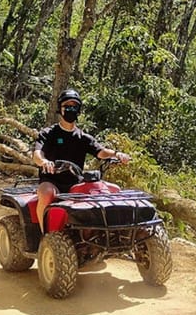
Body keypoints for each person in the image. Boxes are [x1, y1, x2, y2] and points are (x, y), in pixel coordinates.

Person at [33, 88, 131, 231]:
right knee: (46, 193)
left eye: (74, 106)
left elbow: (101, 151)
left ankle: (111, 233)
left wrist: (117, 154)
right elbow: (37, 154)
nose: (70, 109)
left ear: (78, 110)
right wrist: (44, 162)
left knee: (114, 190)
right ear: (60, 109)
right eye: (67, 106)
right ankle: (44, 235)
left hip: (76, 183)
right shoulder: (49, 133)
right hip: (52, 181)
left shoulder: (83, 137)